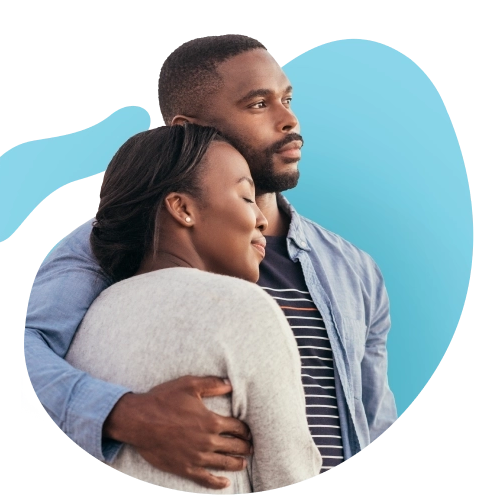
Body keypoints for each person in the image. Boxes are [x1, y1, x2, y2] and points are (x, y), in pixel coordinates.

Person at [24, 34, 398, 491]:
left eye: (287, 98)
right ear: (190, 127)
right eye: (258, 105)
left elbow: (374, 418)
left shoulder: (354, 269)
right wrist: (122, 413)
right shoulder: (117, 238)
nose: (289, 119)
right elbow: (22, 356)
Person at [64, 123, 322, 494]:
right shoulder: (244, 309)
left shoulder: (86, 322)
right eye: (247, 197)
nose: (263, 220)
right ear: (183, 208)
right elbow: (292, 480)